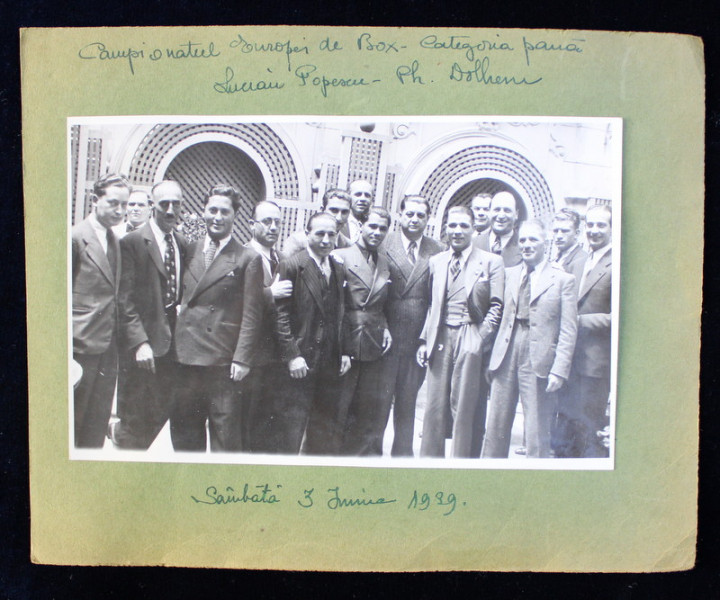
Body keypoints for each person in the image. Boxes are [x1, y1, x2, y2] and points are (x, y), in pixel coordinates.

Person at [170, 185, 264, 452]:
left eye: (225, 211)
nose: (217, 217)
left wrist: (242, 358)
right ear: (203, 212)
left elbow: (251, 315)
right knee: (185, 434)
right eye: (212, 210)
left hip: (222, 363)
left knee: (225, 437)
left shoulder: (248, 258)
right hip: (186, 358)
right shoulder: (188, 249)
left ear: (235, 215)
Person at [482, 220, 578, 459]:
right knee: (495, 427)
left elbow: (568, 329)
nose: (526, 245)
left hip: (539, 357)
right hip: (506, 351)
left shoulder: (563, 280)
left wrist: (559, 370)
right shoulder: (508, 274)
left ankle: (534, 480)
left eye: (533, 239)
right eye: (522, 240)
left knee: (536, 430)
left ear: (546, 243)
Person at [417, 206, 504, 458]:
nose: (457, 231)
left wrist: (479, 338)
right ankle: (429, 463)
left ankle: (460, 462)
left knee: (463, 406)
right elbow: (432, 305)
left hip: (470, 335)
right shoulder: (437, 261)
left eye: (463, 226)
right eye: (452, 226)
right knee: (434, 406)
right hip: (441, 336)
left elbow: (497, 305)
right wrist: (424, 340)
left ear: (474, 228)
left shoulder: (491, 261)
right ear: (445, 229)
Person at [111, 180, 187, 449]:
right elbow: (124, 299)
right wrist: (139, 343)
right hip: (142, 351)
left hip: (172, 348)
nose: (169, 210)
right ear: (153, 206)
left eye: (175, 204)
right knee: (135, 421)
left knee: (159, 414)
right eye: (164, 203)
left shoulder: (181, 243)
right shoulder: (132, 242)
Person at [269, 212, 351, 454]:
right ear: (307, 235)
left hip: (328, 363)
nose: (326, 240)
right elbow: (280, 316)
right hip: (300, 361)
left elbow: (340, 313)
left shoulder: (337, 268)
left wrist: (343, 351)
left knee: (322, 430)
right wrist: (293, 355)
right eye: (320, 233)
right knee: (291, 430)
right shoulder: (293, 265)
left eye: (331, 234)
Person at [380, 195, 443, 456]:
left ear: (428, 219)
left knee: (407, 406)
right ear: (400, 215)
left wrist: (426, 339)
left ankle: (402, 458)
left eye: (420, 215)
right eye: (410, 214)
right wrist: (382, 326)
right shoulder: (384, 243)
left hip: (415, 340)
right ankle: (370, 457)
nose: (414, 219)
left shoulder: (437, 250)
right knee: (380, 404)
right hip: (385, 339)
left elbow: (437, 299)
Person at [71, 173, 130, 448]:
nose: (120, 211)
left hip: (108, 347)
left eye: (124, 205)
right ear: (95, 200)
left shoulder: (115, 240)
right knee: (75, 422)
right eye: (114, 203)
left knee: (97, 423)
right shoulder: (75, 238)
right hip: (80, 345)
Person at [553, 204, 613, 458]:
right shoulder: (580, 263)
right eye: (590, 225)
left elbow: (619, 317)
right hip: (571, 361)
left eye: (601, 225)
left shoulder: (616, 264)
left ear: (612, 228)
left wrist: (577, 321)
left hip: (595, 365)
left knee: (588, 435)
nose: (594, 230)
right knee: (565, 433)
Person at [334, 207, 394, 455]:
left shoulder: (384, 261)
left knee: (366, 407)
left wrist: (386, 327)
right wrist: (341, 347)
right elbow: (334, 304)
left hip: (374, 341)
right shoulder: (340, 256)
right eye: (373, 226)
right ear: (361, 226)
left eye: (382, 228)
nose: (377, 232)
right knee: (340, 406)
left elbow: (382, 302)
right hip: (348, 337)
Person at [243, 200, 293, 452]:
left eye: (277, 222)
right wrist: (269, 293)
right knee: (246, 423)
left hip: (276, 356)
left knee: (270, 424)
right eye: (267, 221)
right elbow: (233, 302)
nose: (273, 227)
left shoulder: (284, 260)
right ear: (252, 225)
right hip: (250, 354)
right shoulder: (240, 256)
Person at [282, 188, 352, 256]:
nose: (339, 218)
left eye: (344, 212)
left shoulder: (348, 246)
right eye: (334, 210)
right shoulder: (299, 241)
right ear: (322, 210)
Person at [473, 191, 522, 267]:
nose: (501, 216)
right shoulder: (473, 244)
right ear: (489, 212)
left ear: (516, 214)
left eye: (507, 210)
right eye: (497, 210)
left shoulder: (523, 246)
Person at [551, 208, 588, 278]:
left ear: (576, 234)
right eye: (555, 231)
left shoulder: (581, 260)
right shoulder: (557, 258)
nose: (559, 236)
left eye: (564, 231)